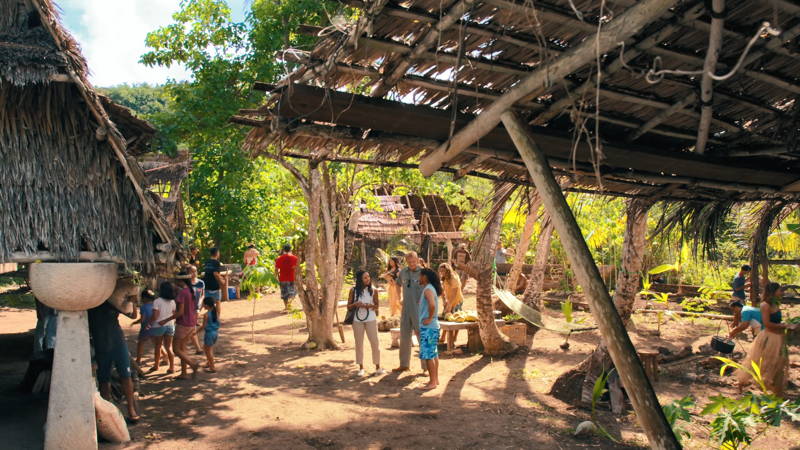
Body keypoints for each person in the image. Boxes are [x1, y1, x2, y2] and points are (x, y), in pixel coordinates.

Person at [88, 279, 140, 422]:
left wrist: (132, 302)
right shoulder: (89, 303)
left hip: (114, 342)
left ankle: (131, 409)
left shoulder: (111, 301)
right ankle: (109, 414)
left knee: (124, 375)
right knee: (104, 379)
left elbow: (133, 315)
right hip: (104, 343)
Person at [735, 282, 798, 397]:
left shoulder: (776, 304)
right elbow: (767, 324)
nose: (782, 292)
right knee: (759, 362)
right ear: (773, 291)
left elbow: (777, 321)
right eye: (780, 290)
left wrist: (787, 325)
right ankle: (741, 383)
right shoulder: (765, 305)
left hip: (779, 338)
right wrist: (785, 326)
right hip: (769, 338)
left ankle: (777, 392)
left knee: (779, 364)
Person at [159, 274, 200, 380]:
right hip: (191, 323)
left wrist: (166, 320)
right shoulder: (191, 291)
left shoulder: (182, 293)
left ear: (180, 281)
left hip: (183, 324)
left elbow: (180, 312)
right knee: (183, 349)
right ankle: (184, 373)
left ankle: (192, 364)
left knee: (176, 349)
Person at [347, 271, 385, 377]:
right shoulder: (353, 290)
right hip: (357, 320)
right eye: (365, 278)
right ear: (360, 279)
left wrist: (369, 306)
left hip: (371, 319)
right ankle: (361, 367)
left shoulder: (373, 290)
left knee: (375, 343)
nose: (367, 279)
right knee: (359, 344)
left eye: (368, 277)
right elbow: (348, 306)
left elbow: (377, 305)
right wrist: (356, 304)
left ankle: (378, 367)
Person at [394, 252, 424, 373]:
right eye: (409, 262)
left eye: (414, 261)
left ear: (417, 260)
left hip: (419, 309)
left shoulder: (424, 272)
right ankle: (404, 364)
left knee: (421, 336)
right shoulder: (403, 272)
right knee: (405, 336)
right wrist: (399, 297)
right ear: (406, 261)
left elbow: (431, 289)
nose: (412, 264)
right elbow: (397, 284)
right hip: (406, 308)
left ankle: (426, 367)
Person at [417, 268, 442, 390]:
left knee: (428, 355)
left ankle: (432, 382)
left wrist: (429, 318)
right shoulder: (431, 288)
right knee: (434, 353)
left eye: (420, 276)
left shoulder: (427, 290)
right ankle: (435, 380)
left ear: (425, 277)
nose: (419, 278)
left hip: (428, 326)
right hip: (433, 326)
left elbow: (432, 305)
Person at [149, 282, 176, 374]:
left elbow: (155, 316)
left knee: (158, 346)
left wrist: (149, 323)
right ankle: (172, 367)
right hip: (170, 325)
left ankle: (156, 365)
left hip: (158, 326)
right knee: (169, 347)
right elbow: (174, 313)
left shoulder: (157, 301)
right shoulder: (172, 301)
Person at [135, 289, 156, 368]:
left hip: (145, 328)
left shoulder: (143, 307)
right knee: (157, 344)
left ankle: (138, 360)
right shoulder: (155, 305)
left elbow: (143, 319)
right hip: (154, 327)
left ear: (144, 298)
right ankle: (165, 356)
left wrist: (136, 322)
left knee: (141, 343)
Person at [187, 265, 204, 354]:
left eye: (195, 271)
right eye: (192, 271)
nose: (194, 273)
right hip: (187, 309)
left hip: (195, 309)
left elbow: (202, 295)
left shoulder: (201, 283)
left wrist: (199, 306)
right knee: (190, 329)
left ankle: (197, 348)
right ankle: (197, 348)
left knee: (190, 328)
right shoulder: (186, 284)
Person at [275, 244, 299, 310]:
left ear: (283, 250)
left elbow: (276, 269)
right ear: (291, 249)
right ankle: (289, 304)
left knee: (284, 293)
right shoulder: (295, 258)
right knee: (293, 292)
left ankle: (286, 307)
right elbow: (297, 268)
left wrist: (275, 277)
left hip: (282, 278)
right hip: (292, 277)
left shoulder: (279, 258)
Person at [202, 247, 224, 317]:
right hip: (214, 285)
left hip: (207, 284)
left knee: (209, 303)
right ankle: (217, 318)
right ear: (217, 253)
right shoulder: (217, 262)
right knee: (217, 302)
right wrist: (222, 281)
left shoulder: (207, 262)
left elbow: (208, 272)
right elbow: (215, 274)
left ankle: (209, 318)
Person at [201, 296, 220, 373]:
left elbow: (203, 326)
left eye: (203, 304)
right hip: (215, 333)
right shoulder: (216, 312)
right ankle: (209, 363)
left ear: (206, 305)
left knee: (208, 351)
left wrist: (195, 332)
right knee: (208, 349)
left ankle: (212, 367)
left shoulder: (206, 315)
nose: (202, 306)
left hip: (209, 334)